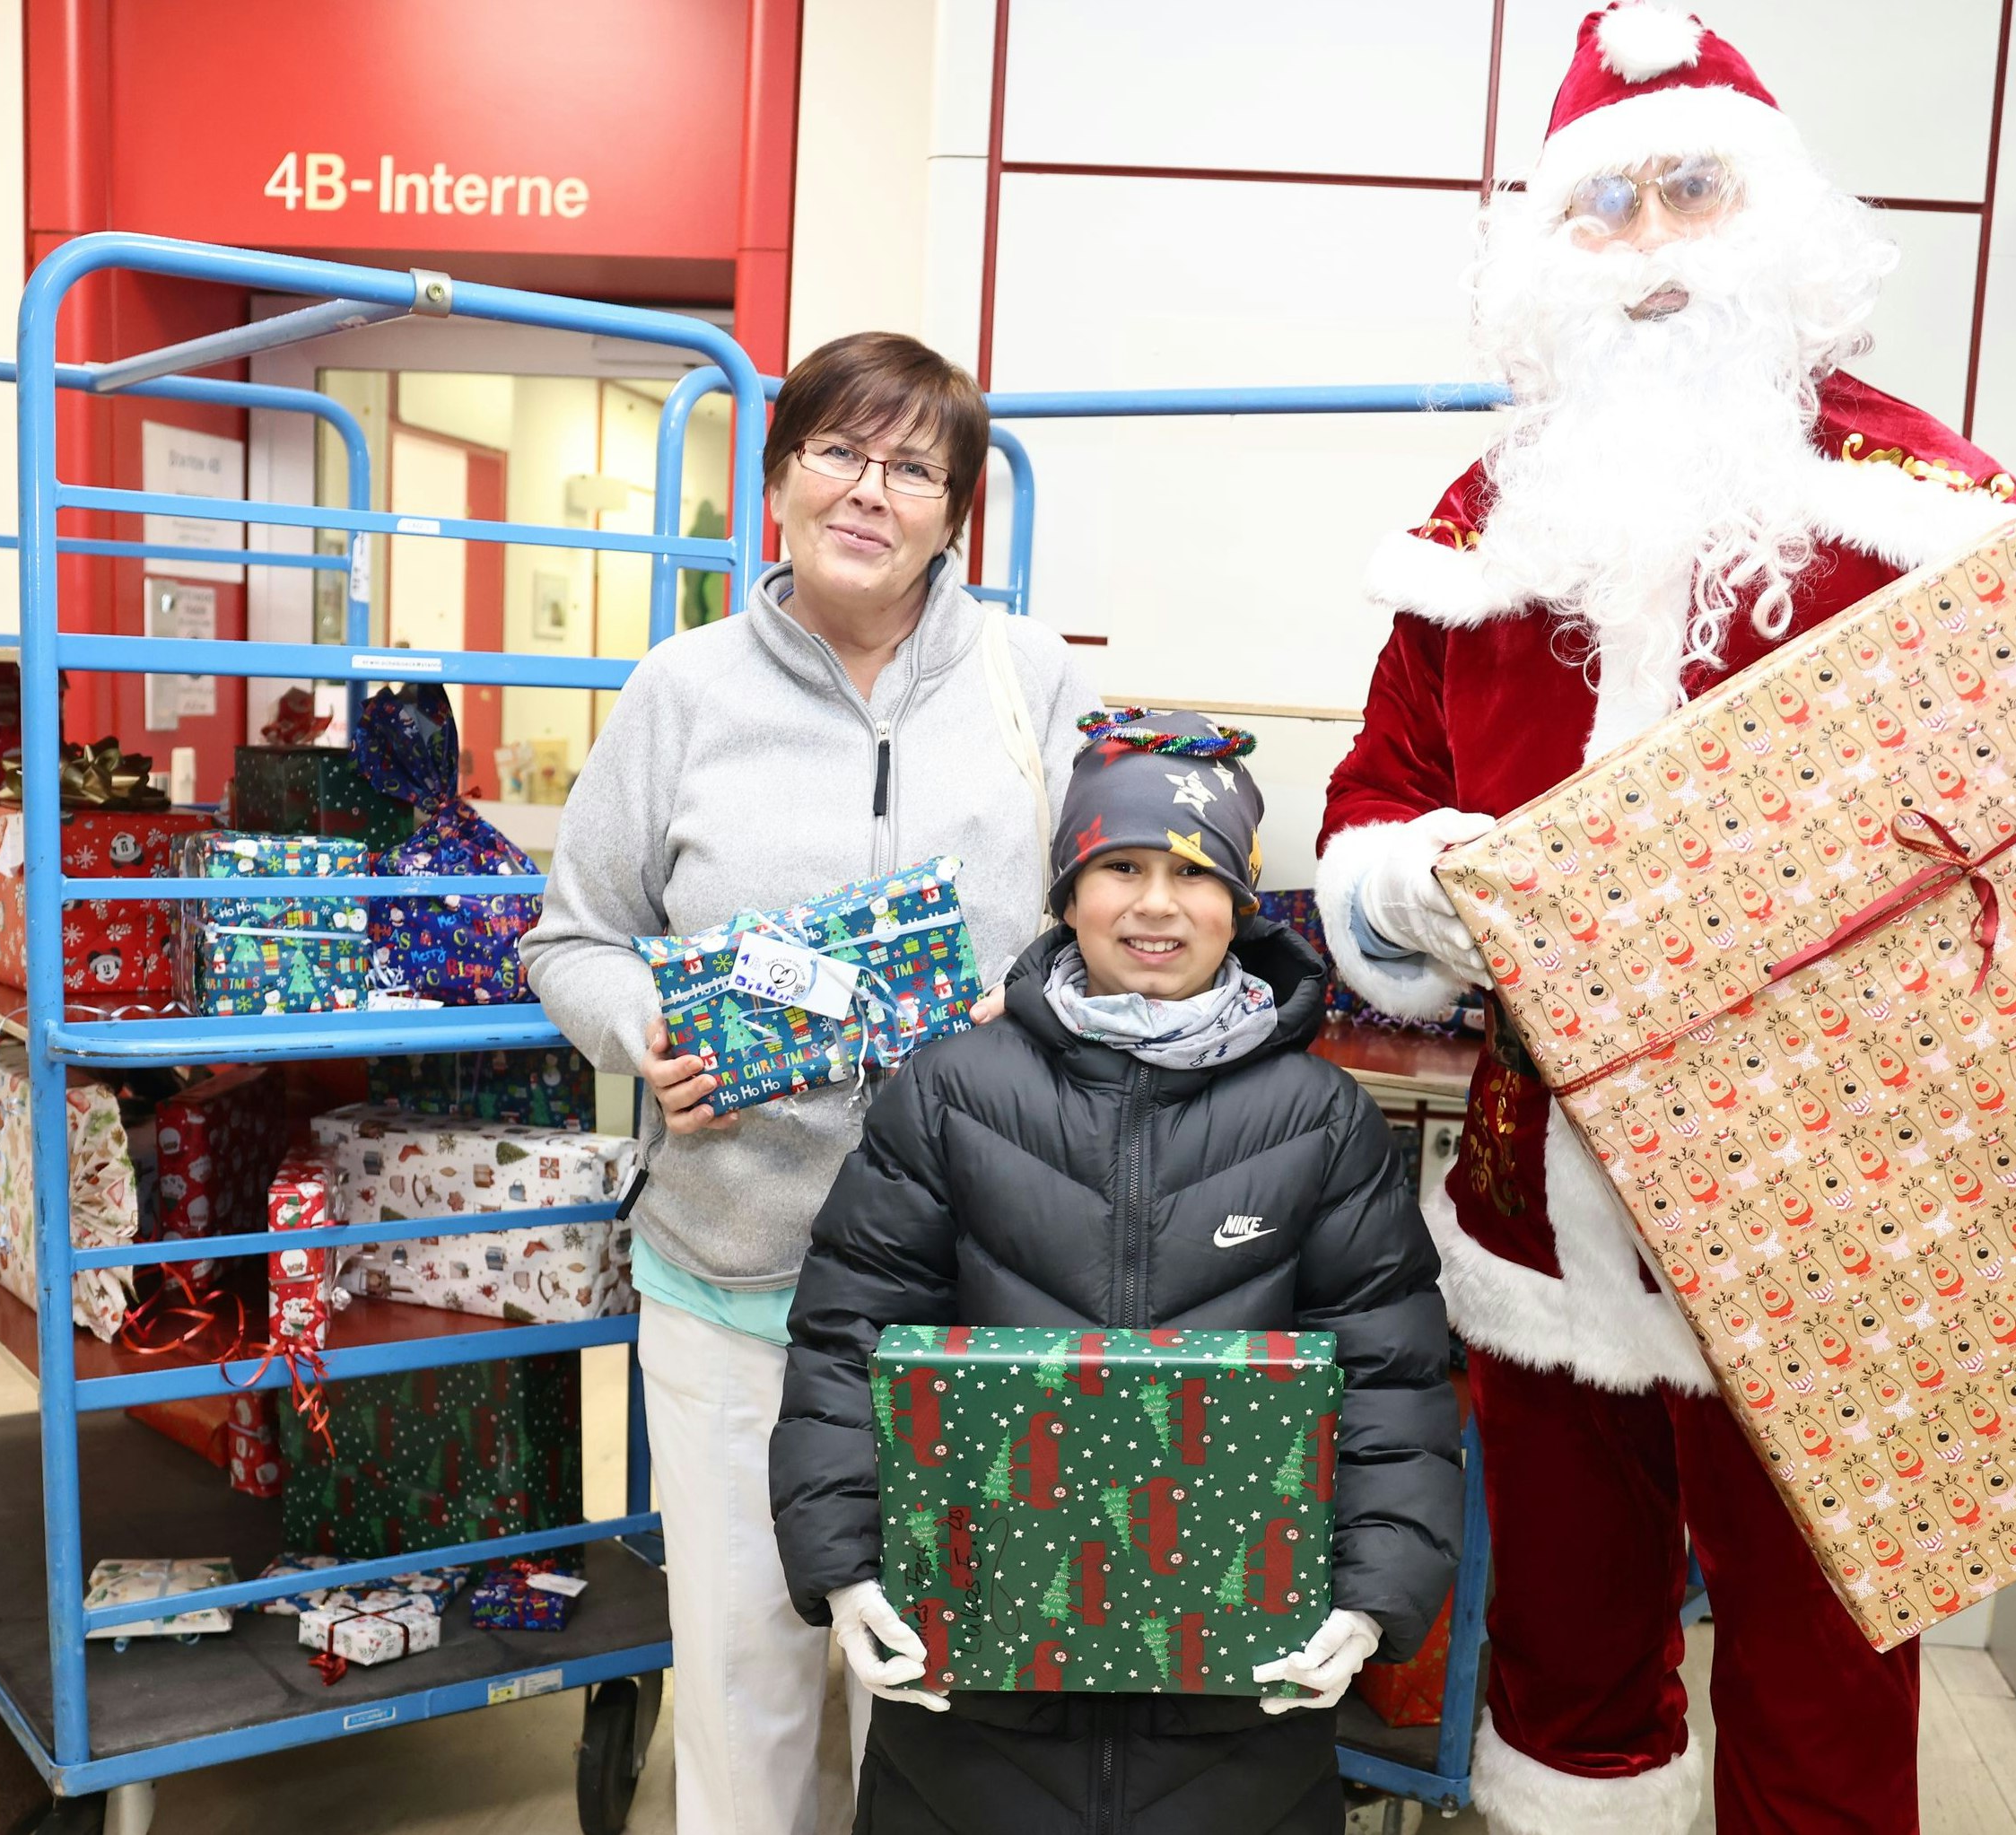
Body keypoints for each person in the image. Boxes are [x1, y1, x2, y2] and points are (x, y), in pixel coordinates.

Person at [1313, 9, 2016, 1834]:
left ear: (1779, 219)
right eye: (1611, 203)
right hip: (1543, 1201)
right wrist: (1419, 881)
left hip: (1830, 1196)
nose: (1654, 244)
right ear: (1549, 255)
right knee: (1567, 1641)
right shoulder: (1474, 533)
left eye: (1693, 187)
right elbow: (1365, 805)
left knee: (1822, 1653)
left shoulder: (1928, 516)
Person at [521, 330, 1096, 1835]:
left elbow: (1111, 940)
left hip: (975, 1290)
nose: (870, 490)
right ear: (779, 475)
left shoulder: (1035, 682)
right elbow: (569, 940)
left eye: (913, 467)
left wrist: (1024, 1010)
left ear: (955, 510)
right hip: (732, 1284)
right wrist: (649, 1029)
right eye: (839, 450)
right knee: (743, 1684)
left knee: (939, 1705)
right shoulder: (683, 689)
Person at [771, 710, 1462, 1835]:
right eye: (1120, 866)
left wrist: (1374, 1600)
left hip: (1239, 1708)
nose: (1155, 903)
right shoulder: (950, 1094)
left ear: (1240, 902)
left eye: (1194, 873)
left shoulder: (1321, 1120)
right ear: (1066, 893)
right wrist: (846, 1567)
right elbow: (850, 1342)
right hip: (976, 1699)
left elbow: (1392, 1380)